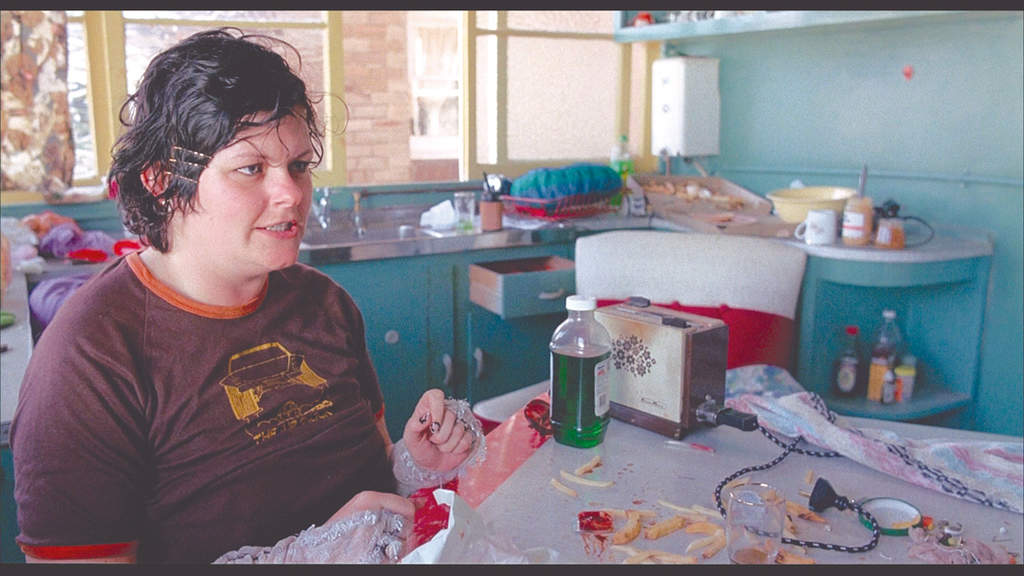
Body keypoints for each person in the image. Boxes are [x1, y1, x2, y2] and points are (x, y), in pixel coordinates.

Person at [10, 28, 484, 564]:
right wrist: (309, 558)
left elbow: (370, 477)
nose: (291, 194)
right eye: (251, 169)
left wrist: (415, 467)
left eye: (299, 166)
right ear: (162, 180)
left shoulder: (324, 304)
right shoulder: (88, 360)